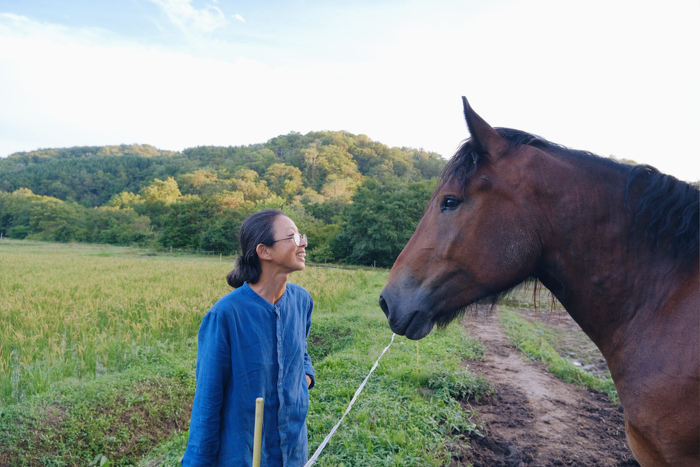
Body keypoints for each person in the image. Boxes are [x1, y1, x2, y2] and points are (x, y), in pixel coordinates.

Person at [181, 209, 315, 466]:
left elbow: (302, 348)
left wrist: (304, 377)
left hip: (293, 448)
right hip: (244, 453)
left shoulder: (302, 301)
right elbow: (208, 399)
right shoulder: (225, 315)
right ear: (264, 251)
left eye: (302, 235)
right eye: (293, 237)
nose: (304, 242)